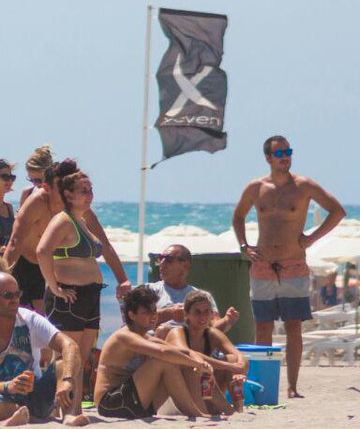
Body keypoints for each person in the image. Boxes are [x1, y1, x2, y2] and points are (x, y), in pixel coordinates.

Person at [232, 135, 346, 398]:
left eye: (288, 151)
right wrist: (244, 246)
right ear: (268, 158)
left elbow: (337, 211)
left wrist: (311, 239)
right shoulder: (256, 187)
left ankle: (292, 386)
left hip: (293, 264)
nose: (285, 156)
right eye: (279, 152)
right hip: (262, 266)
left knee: (294, 325)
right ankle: (263, 383)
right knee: (263, 326)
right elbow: (238, 216)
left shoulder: (303, 186)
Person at [36, 163, 129, 423]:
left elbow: (107, 247)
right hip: (70, 295)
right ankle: (65, 409)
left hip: (90, 294)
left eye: (90, 190)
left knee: (84, 354)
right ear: (68, 194)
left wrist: (122, 278)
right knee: (69, 354)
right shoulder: (62, 220)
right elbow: (42, 251)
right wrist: (54, 286)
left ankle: (74, 407)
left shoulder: (84, 220)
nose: (89, 194)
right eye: (83, 190)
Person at [6, 158, 130, 313]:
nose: (68, 190)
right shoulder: (36, 203)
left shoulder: (79, 209)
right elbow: (15, 242)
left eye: (71, 185)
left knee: (45, 322)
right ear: (47, 187)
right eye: (62, 186)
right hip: (24, 265)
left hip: (51, 268)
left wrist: (123, 280)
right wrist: (2, 278)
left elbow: (104, 244)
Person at [0, 272, 82, 426]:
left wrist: (67, 380)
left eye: (17, 294)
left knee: (68, 361)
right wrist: (9, 386)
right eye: (8, 295)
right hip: (1, 397)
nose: (14, 300)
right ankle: (21, 415)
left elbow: (69, 345)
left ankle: (69, 415)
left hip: (35, 394)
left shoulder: (30, 319)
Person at [95, 286, 213, 419]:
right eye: (146, 312)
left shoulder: (145, 336)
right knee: (163, 362)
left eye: (154, 311)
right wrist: (196, 362)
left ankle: (203, 409)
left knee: (181, 361)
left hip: (137, 403)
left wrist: (201, 362)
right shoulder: (124, 336)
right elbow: (162, 352)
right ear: (132, 315)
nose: (153, 316)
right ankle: (194, 413)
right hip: (111, 403)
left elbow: (183, 351)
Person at [164, 290, 249, 414]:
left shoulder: (212, 334)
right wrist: (230, 366)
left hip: (207, 391)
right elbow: (191, 355)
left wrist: (240, 367)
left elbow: (238, 355)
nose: (203, 317)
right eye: (197, 312)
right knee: (199, 369)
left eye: (206, 312)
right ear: (186, 314)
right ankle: (227, 409)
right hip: (182, 396)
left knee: (233, 361)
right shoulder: (177, 333)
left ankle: (238, 407)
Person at [148, 244, 238, 340]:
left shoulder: (202, 296)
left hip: (192, 344)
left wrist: (227, 321)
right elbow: (138, 320)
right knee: (163, 330)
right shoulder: (149, 290)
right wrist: (169, 313)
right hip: (161, 345)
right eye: (160, 259)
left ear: (185, 265)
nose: (162, 263)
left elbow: (214, 327)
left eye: (168, 260)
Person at [19, 145, 54, 209]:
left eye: (39, 180)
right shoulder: (27, 193)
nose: (35, 184)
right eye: (31, 180)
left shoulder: (60, 195)